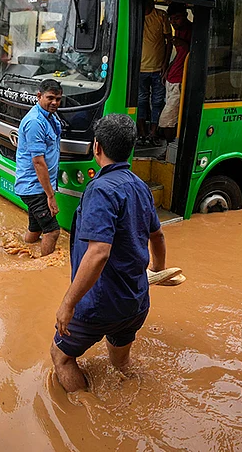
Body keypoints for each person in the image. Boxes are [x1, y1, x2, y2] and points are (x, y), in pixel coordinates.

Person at [51, 113, 166, 392]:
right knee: (121, 364)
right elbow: (158, 235)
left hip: (98, 305)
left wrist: (68, 304)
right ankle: (134, 397)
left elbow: (99, 252)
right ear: (131, 149)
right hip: (135, 302)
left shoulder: (100, 189)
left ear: (97, 147)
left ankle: (83, 415)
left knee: (61, 358)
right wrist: (157, 271)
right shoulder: (140, 187)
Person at [15, 79, 64, 257]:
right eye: (50, 98)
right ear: (38, 96)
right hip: (34, 187)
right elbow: (38, 162)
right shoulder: (35, 122)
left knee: (35, 229)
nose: (54, 103)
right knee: (52, 231)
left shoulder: (50, 116)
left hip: (37, 185)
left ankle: (21, 254)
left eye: (58, 99)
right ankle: (44, 270)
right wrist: (50, 196)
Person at [137, 0, 171, 146]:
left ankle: (153, 132)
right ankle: (142, 133)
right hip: (139, 69)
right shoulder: (135, 15)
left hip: (158, 68)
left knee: (157, 102)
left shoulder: (160, 15)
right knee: (141, 101)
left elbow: (169, 41)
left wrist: (165, 63)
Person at [158, 4, 192, 144]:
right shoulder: (178, 31)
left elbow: (195, 53)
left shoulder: (193, 30)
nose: (173, 22)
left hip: (180, 81)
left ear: (185, 15)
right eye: (171, 19)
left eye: (177, 18)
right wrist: (167, 69)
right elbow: (180, 55)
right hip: (172, 78)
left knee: (166, 120)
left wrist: (183, 43)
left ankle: (170, 149)